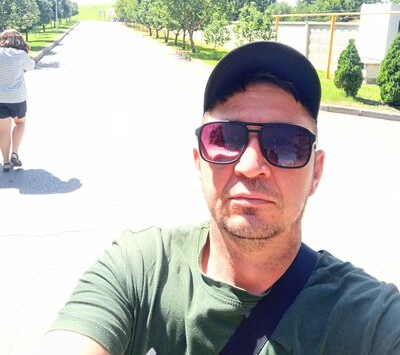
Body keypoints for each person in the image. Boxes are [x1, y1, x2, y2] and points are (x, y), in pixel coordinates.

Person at [35, 41, 400, 354]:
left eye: (287, 144)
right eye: (225, 138)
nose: (251, 166)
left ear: (315, 173)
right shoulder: (142, 272)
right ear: (199, 160)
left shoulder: (372, 320)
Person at [0, 28, 35, 172]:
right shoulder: (21, 54)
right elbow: (31, 66)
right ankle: (14, 154)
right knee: (20, 123)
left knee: (3, 130)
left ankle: (6, 162)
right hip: (17, 98)